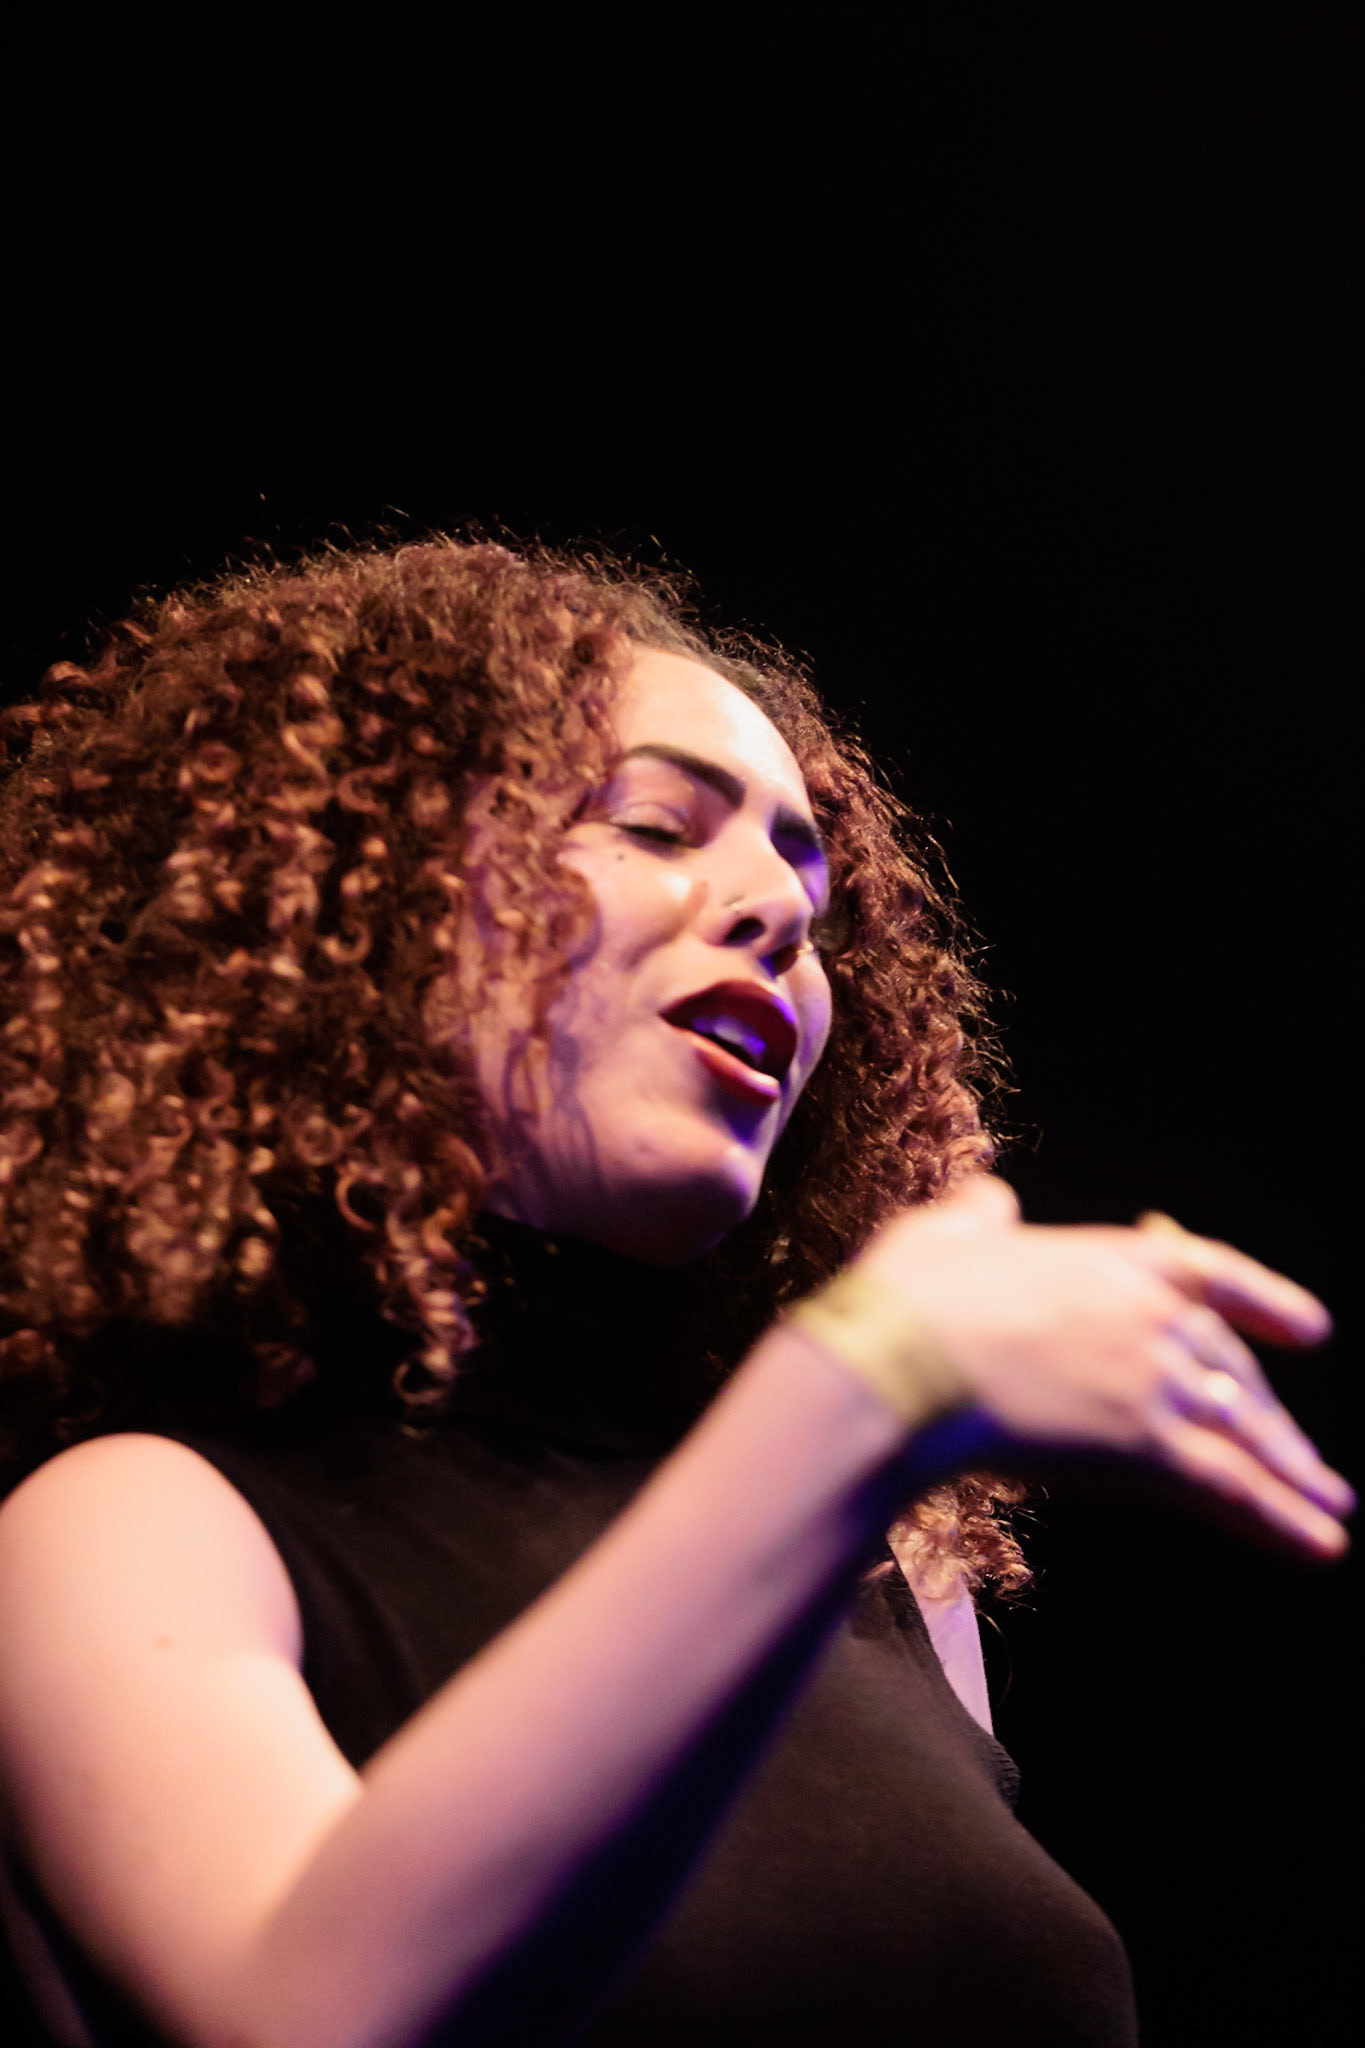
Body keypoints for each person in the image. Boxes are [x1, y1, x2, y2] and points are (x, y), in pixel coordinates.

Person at [0, 537, 1350, 2048]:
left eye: (808, 881)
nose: (774, 905)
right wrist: (852, 1394)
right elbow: (314, 2012)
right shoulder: (128, 1526)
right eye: (656, 825)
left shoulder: (884, 1582)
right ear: (346, 899)